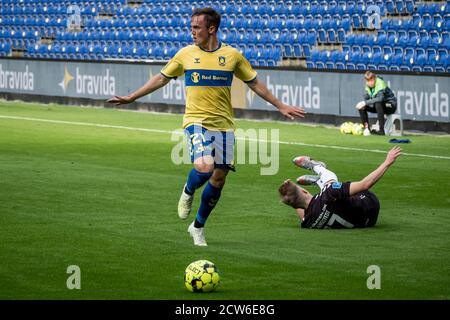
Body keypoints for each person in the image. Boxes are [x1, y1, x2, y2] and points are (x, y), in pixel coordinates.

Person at [107, 7, 306, 246]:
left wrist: (280, 105)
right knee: (204, 167)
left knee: (218, 179)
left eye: (196, 27)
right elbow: (161, 78)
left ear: (211, 29)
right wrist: (132, 97)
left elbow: (254, 83)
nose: (192, 32)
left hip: (223, 125)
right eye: (191, 27)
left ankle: (198, 227)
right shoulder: (185, 54)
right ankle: (188, 191)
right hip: (196, 121)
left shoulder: (232, 56)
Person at [278, 147, 402, 229]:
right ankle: (318, 168)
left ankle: (320, 181)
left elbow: (300, 208)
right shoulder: (329, 193)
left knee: (330, 196)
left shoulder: (308, 223)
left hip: (367, 222)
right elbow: (365, 184)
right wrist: (387, 162)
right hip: (369, 203)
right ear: (304, 190)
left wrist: (291, 199)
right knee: (332, 188)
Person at [355, 71, 397, 136]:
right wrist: (362, 104)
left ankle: (381, 131)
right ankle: (367, 129)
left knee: (378, 103)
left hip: (390, 105)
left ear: (374, 78)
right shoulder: (367, 86)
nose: (370, 83)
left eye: (371, 80)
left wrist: (364, 102)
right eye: (368, 81)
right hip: (380, 107)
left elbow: (380, 98)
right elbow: (367, 98)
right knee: (362, 108)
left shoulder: (380, 82)